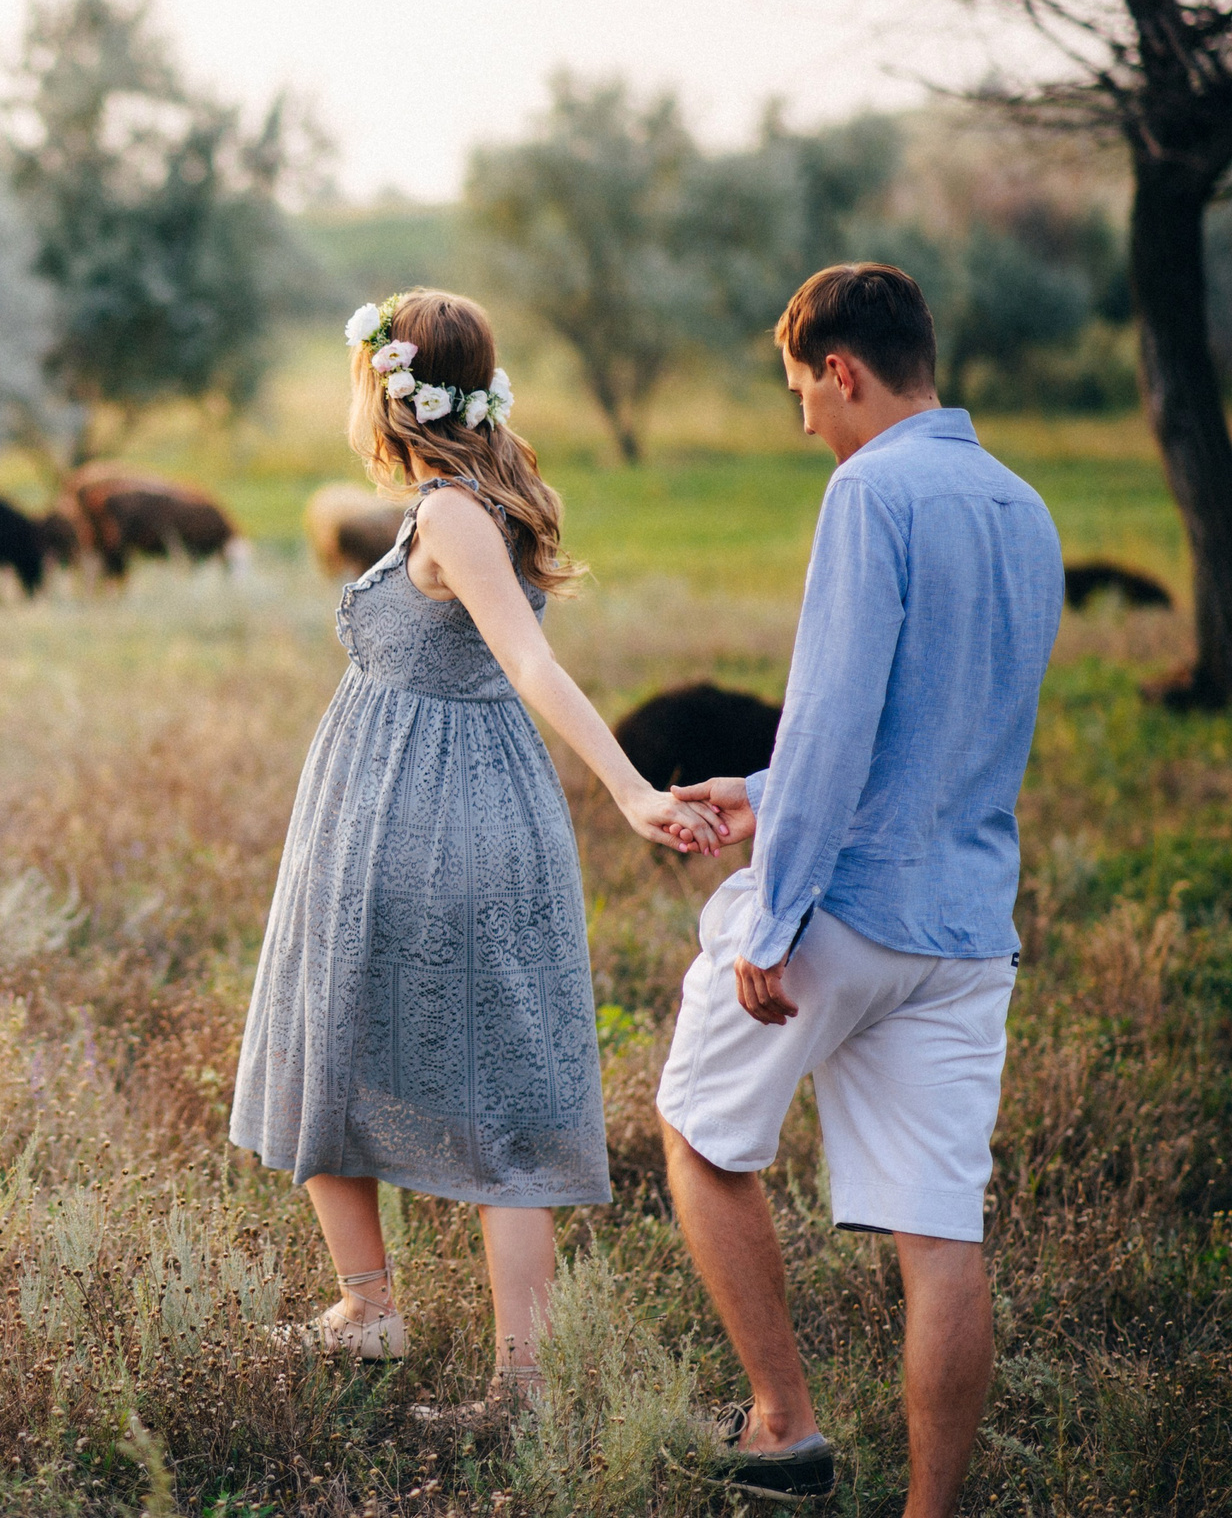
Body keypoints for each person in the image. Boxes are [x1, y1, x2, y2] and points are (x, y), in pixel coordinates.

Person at [228, 289, 726, 1400]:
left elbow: (531, 667)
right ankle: (369, 1311)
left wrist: (635, 792)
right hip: (413, 805)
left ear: (382, 384)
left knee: (481, 1090)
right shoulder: (470, 499)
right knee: (342, 1048)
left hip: (425, 819)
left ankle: (516, 1383)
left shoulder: (452, 513)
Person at [659, 263, 1063, 1509]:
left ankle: (782, 1426)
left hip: (844, 912)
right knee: (942, 1238)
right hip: (964, 933)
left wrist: (770, 917)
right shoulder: (1024, 508)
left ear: (841, 370)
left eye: (799, 393)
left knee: (699, 1132)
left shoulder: (867, 491)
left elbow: (837, 716)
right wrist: (760, 788)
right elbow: (939, 730)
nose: (802, 423)